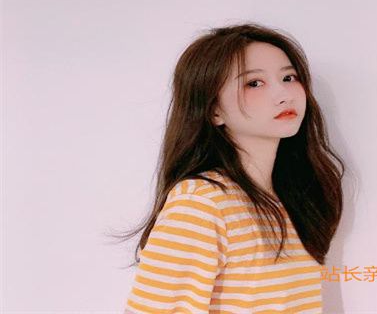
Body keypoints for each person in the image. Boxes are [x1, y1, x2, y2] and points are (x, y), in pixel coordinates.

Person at [118, 22, 345, 313]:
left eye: (289, 77)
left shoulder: (293, 200)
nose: (284, 94)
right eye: (254, 83)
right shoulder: (201, 203)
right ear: (214, 110)